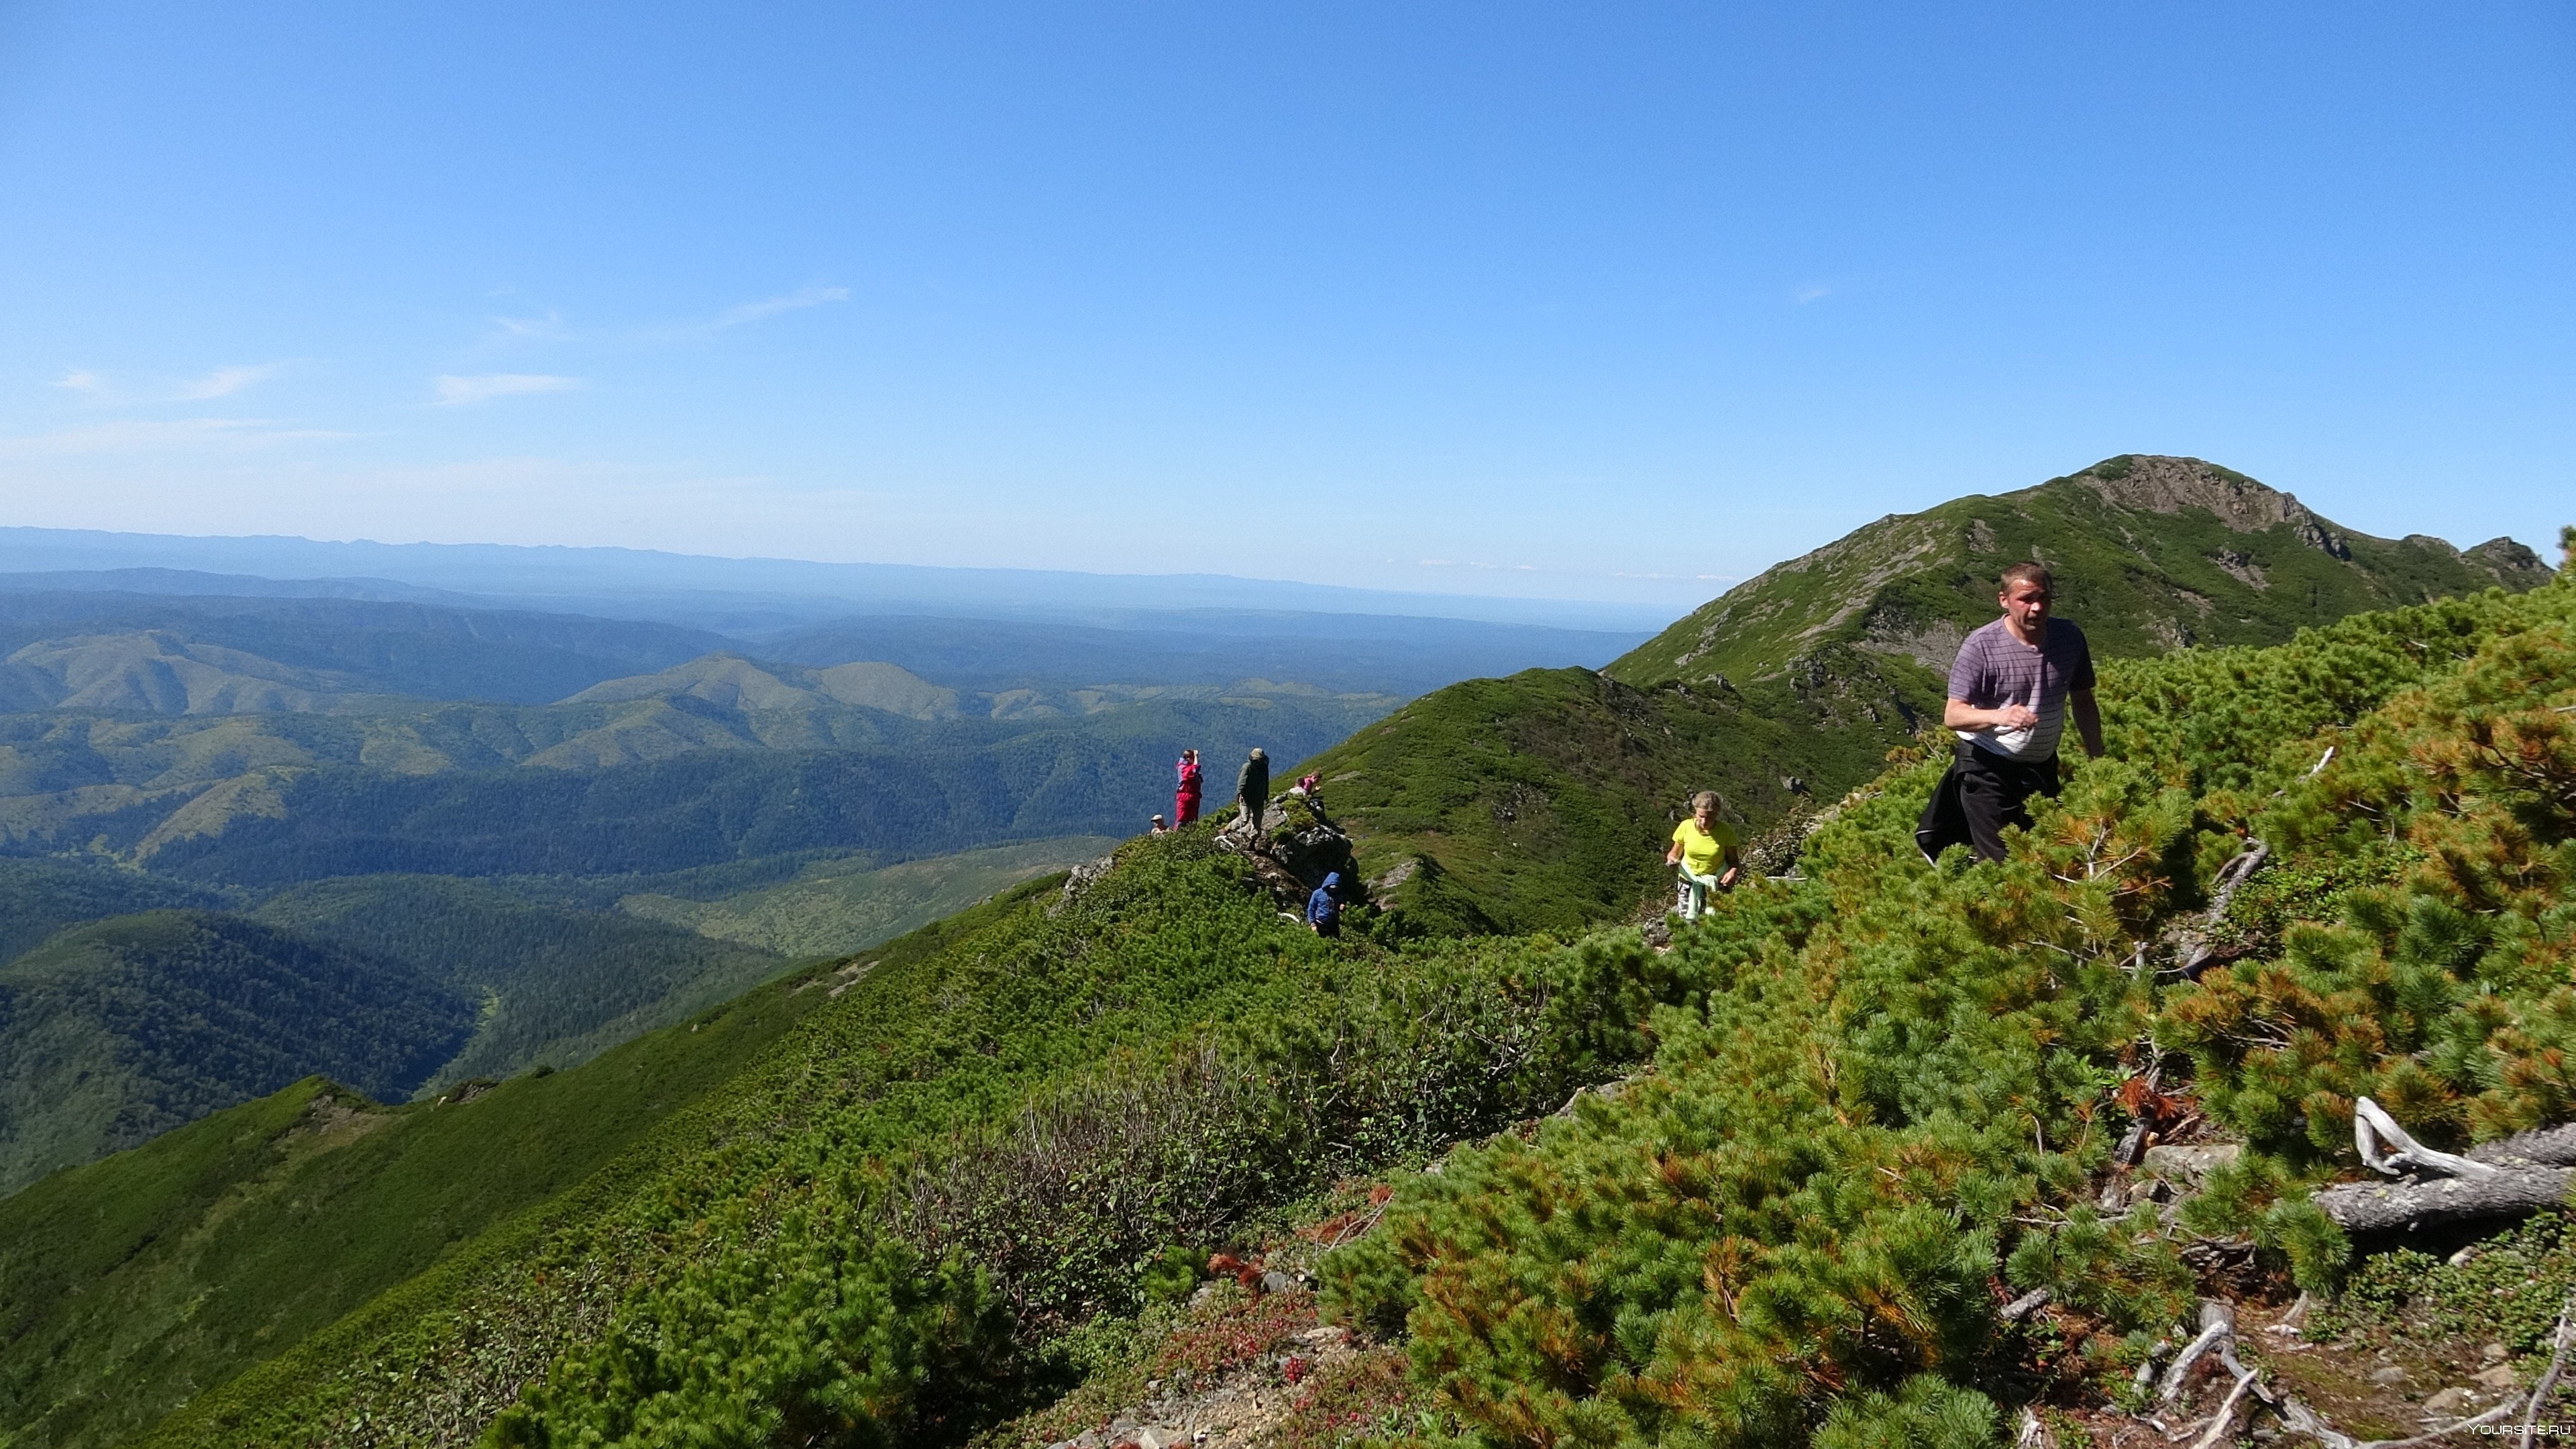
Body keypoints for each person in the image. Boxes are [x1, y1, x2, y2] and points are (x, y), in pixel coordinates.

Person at [1915, 561, 2105, 863]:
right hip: (1987, 767)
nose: (2037, 608)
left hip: (2041, 767)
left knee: (2047, 853)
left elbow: (2083, 700)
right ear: (2004, 600)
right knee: (2004, 862)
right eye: (2026, 599)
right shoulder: (1981, 646)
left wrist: (2098, 761)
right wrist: (2000, 716)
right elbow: (1953, 715)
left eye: (2044, 598)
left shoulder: (2069, 638)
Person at [1666, 790, 1742, 921]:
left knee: (1716, 922)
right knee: (1687, 922)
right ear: (1695, 811)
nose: (1704, 821)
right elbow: (1675, 852)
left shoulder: (1726, 833)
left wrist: (1732, 873)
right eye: (1701, 816)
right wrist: (1672, 859)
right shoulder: (1686, 827)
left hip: (1717, 882)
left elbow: (1734, 862)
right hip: (1688, 880)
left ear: (1717, 814)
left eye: (1710, 817)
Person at [1236, 747, 1269, 835]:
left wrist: (1266, 795)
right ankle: (1227, 829)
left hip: (1259, 798)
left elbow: (1265, 782)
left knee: (1257, 823)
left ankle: (1252, 842)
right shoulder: (1247, 767)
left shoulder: (1264, 767)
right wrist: (1240, 793)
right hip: (1247, 797)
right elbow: (1242, 782)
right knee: (1244, 819)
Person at [1307, 871, 1344, 937]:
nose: (1333, 890)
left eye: (1335, 888)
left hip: (1333, 924)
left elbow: (1339, 904)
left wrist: (1341, 906)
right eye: (1332, 888)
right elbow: (1311, 908)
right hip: (1320, 924)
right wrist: (1313, 924)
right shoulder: (1317, 894)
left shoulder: (1338, 894)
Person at [1174, 749, 1203, 826]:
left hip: (1192, 796)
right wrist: (1196, 757)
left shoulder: (1186, 767)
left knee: (1193, 819)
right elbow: (1194, 769)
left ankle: (1191, 833)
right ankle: (1179, 834)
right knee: (1182, 818)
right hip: (1184, 796)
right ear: (1189, 759)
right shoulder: (1183, 768)